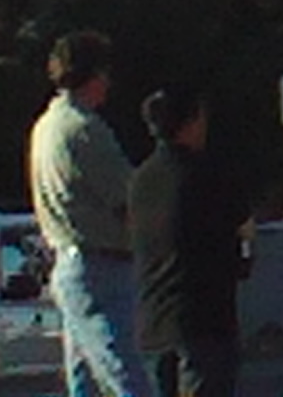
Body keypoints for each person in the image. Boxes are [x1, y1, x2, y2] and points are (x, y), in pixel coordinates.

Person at [29, 31, 156, 397]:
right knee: (125, 374)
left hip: (68, 261)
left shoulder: (45, 126)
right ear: (95, 74)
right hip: (100, 266)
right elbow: (129, 199)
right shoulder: (85, 130)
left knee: (83, 379)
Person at [127, 85, 243, 397]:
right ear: (191, 122)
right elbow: (235, 242)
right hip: (203, 321)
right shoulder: (206, 176)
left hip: (153, 319)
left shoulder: (140, 181)